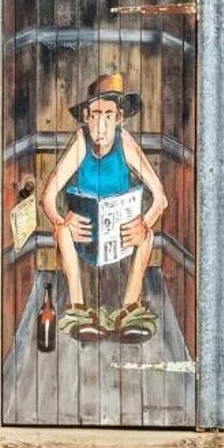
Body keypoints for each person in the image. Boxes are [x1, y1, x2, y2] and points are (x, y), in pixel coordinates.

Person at [38, 72, 167, 342]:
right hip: (86, 236)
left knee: (149, 236)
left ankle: (130, 309)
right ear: (86, 117)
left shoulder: (126, 142)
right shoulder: (80, 141)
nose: (101, 125)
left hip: (120, 236)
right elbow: (47, 197)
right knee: (61, 233)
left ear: (118, 118)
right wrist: (63, 220)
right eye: (95, 115)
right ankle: (79, 310)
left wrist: (144, 223)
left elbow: (160, 198)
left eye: (109, 115)